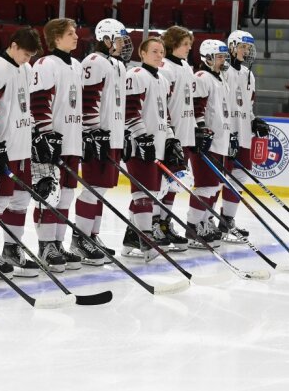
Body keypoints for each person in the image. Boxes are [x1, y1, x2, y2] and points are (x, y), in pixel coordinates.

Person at [0, 27, 41, 280]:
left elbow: (26, 106)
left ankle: (12, 249)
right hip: (1, 147)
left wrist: (34, 133)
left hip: (22, 147)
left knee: (21, 201)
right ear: (12, 46)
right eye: (25, 53)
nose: (28, 58)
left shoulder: (26, 69)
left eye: (31, 54)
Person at [72, 18, 130, 266]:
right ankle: (80, 238)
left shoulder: (116, 64)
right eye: (118, 40)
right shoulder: (94, 61)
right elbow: (89, 98)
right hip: (99, 136)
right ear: (105, 40)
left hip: (113, 135)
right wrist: (92, 132)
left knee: (102, 189)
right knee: (93, 187)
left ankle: (92, 236)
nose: (122, 45)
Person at [30, 19, 84, 273]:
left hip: (72, 140)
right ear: (55, 38)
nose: (76, 37)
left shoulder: (76, 65)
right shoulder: (45, 64)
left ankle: (58, 243)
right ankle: (45, 245)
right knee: (49, 193)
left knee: (66, 195)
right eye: (70, 33)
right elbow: (39, 101)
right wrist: (44, 133)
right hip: (52, 141)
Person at [122, 37, 174, 261]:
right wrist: (142, 137)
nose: (159, 55)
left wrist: (171, 138)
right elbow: (130, 109)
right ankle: (147, 242)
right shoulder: (136, 75)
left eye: (161, 51)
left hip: (158, 144)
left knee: (151, 194)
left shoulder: (162, 79)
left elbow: (165, 114)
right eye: (154, 51)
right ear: (142, 54)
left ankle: (130, 241)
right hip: (139, 146)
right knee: (143, 194)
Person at [221, 30, 268, 240]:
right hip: (225, 132)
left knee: (239, 178)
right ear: (232, 47)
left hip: (244, 133)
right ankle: (204, 221)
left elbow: (247, 106)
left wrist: (253, 120)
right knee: (217, 179)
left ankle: (227, 221)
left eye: (248, 47)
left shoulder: (249, 74)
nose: (246, 51)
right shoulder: (223, 71)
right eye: (242, 47)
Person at [187, 39, 233, 248]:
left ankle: (204, 221)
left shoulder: (220, 79)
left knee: (215, 186)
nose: (223, 61)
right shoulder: (202, 77)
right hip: (207, 142)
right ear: (207, 58)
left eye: (225, 56)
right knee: (205, 186)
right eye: (219, 56)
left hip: (220, 142)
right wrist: (200, 129)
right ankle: (193, 227)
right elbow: (198, 107)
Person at [154, 26, 196, 250]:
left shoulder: (187, 67)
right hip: (170, 136)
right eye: (185, 44)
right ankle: (151, 225)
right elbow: (162, 104)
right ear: (172, 44)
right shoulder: (165, 68)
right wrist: (169, 133)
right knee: (160, 184)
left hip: (186, 134)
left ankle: (164, 224)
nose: (189, 48)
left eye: (190, 44)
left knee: (174, 185)